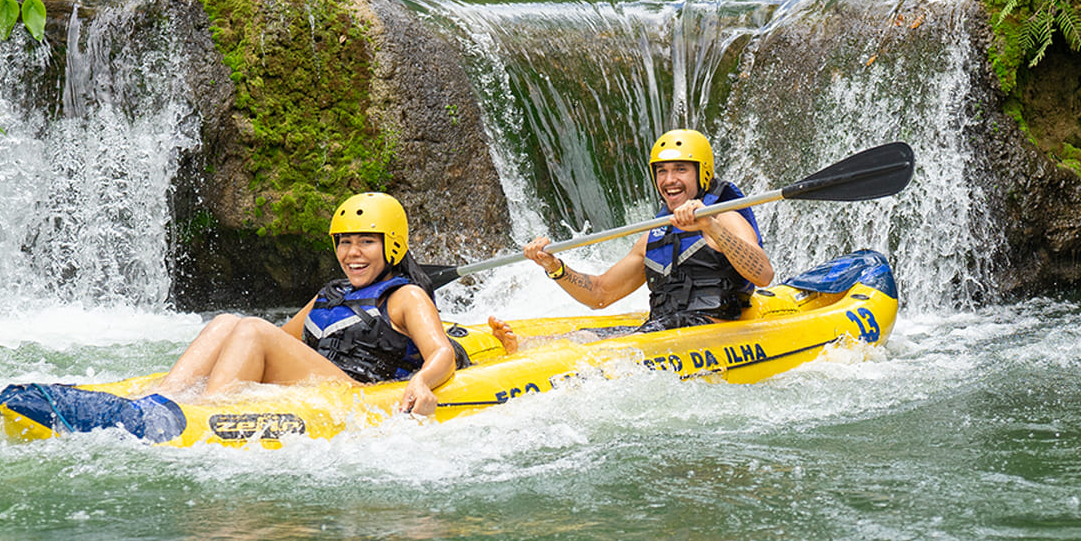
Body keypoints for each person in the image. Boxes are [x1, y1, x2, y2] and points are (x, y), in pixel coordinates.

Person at [155, 193, 457, 415]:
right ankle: (162, 398)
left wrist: (421, 381)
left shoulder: (406, 296)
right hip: (318, 383)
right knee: (226, 323)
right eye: (345, 241)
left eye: (366, 241)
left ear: (392, 245)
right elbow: (281, 342)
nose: (352, 252)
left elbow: (442, 353)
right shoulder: (333, 292)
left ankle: (207, 414)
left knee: (253, 329)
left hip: (360, 392)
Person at [498, 130, 774, 339]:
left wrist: (710, 226)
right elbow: (600, 293)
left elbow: (763, 275)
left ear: (702, 173)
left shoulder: (725, 218)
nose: (669, 180)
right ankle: (522, 347)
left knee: (629, 342)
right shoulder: (652, 237)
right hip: (663, 329)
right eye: (662, 171)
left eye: (680, 169)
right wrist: (554, 266)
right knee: (583, 337)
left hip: (709, 331)